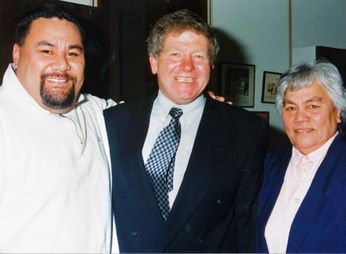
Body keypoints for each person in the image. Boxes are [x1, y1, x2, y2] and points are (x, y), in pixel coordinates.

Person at [104, 9, 268, 253]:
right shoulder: (114, 121)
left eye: (199, 56)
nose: (187, 66)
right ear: (153, 62)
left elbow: (247, 226)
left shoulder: (245, 131)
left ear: (211, 65)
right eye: (175, 54)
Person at [0, 4, 116, 252]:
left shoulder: (95, 111)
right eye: (47, 51)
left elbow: (154, 117)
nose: (62, 65)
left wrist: (202, 105)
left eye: (73, 53)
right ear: (17, 55)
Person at [255, 61, 346, 253]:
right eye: (291, 108)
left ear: (338, 111)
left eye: (313, 106)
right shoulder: (268, 165)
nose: (300, 118)